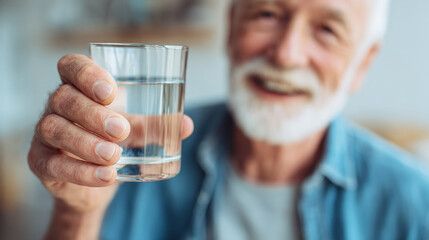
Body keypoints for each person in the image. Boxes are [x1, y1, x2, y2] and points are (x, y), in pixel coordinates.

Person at [28, 0, 429, 239]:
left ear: (363, 64)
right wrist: (77, 212)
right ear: (231, 26)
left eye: (326, 29)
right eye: (268, 13)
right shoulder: (131, 154)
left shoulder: (414, 204)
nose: (286, 54)